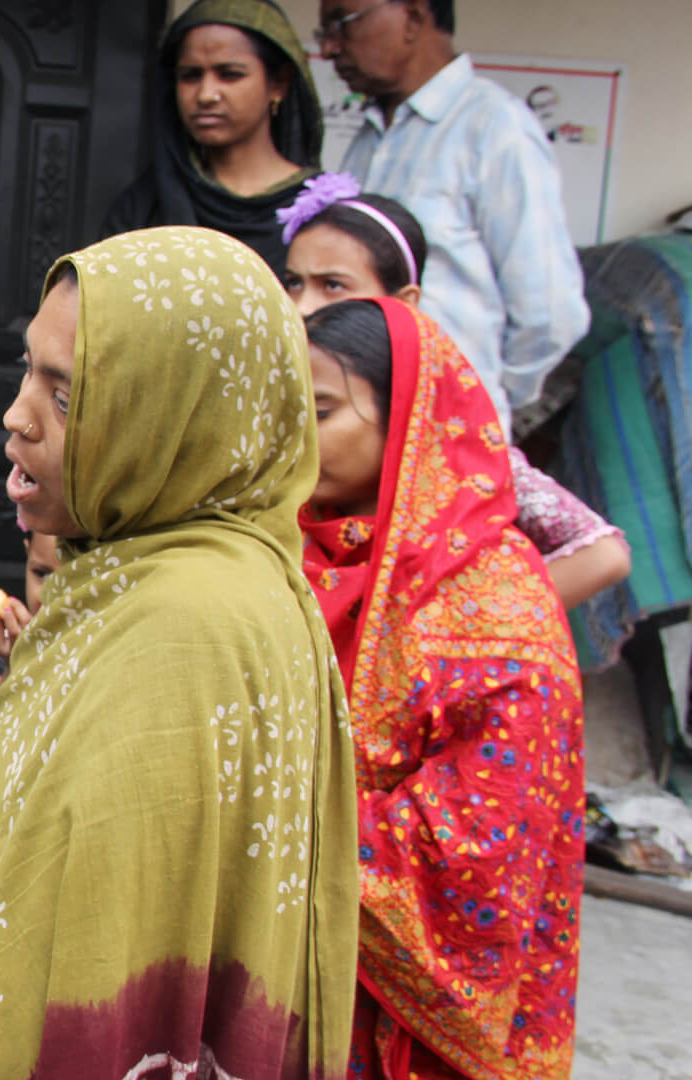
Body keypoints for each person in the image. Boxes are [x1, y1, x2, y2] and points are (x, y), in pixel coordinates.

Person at [0, 227, 358, 1079]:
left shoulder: (186, 630)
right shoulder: (126, 580)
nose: (16, 415)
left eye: (69, 397)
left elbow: (93, 976)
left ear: (178, 421)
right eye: (28, 371)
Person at [299, 297, 585, 1080]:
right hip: (281, 957)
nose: (292, 438)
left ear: (409, 421)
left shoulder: (495, 602)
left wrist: (276, 825)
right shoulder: (281, 550)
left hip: (392, 1001)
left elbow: (480, 846)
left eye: (320, 411)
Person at [278, 173, 630, 609]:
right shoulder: (268, 392)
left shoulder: (448, 432)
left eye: (333, 285)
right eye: (293, 282)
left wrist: (457, 623)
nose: (301, 306)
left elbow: (603, 555)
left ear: (404, 302)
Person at [321, 0, 589, 428]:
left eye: (341, 23)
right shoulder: (369, 138)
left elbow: (551, 313)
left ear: (413, 17)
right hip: (371, 426)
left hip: (453, 433)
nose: (331, 47)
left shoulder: (494, 127)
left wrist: (478, 397)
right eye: (323, 33)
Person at [100, 0, 323, 274]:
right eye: (190, 76)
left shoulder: (320, 209)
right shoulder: (143, 206)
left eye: (230, 75)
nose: (206, 94)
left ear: (279, 83)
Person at [0, 530, 59, 704]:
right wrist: (14, 666)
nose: (48, 596)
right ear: (27, 553)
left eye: (72, 579)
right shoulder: (6, 652)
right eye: (41, 574)